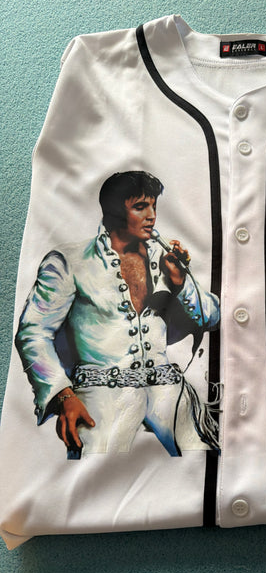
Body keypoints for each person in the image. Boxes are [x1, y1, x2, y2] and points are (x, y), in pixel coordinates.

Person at [15, 171, 220, 459]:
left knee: (207, 463)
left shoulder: (164, 257)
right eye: (140, 207)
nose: (152, 216)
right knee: (91, 473)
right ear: (113, 211)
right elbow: (33, 332)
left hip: (170, 394)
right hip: (100, 396)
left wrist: (180, 281)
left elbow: (212, 318)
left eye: (154, 206)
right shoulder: (70, 261)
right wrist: (63, 396)